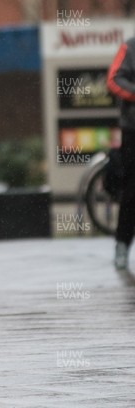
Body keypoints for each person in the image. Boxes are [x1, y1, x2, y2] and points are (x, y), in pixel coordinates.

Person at [107, 37, 135, 271]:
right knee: (132, 191)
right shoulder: (131, 47)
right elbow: (114, 80)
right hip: (134, 131)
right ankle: (122, 245)